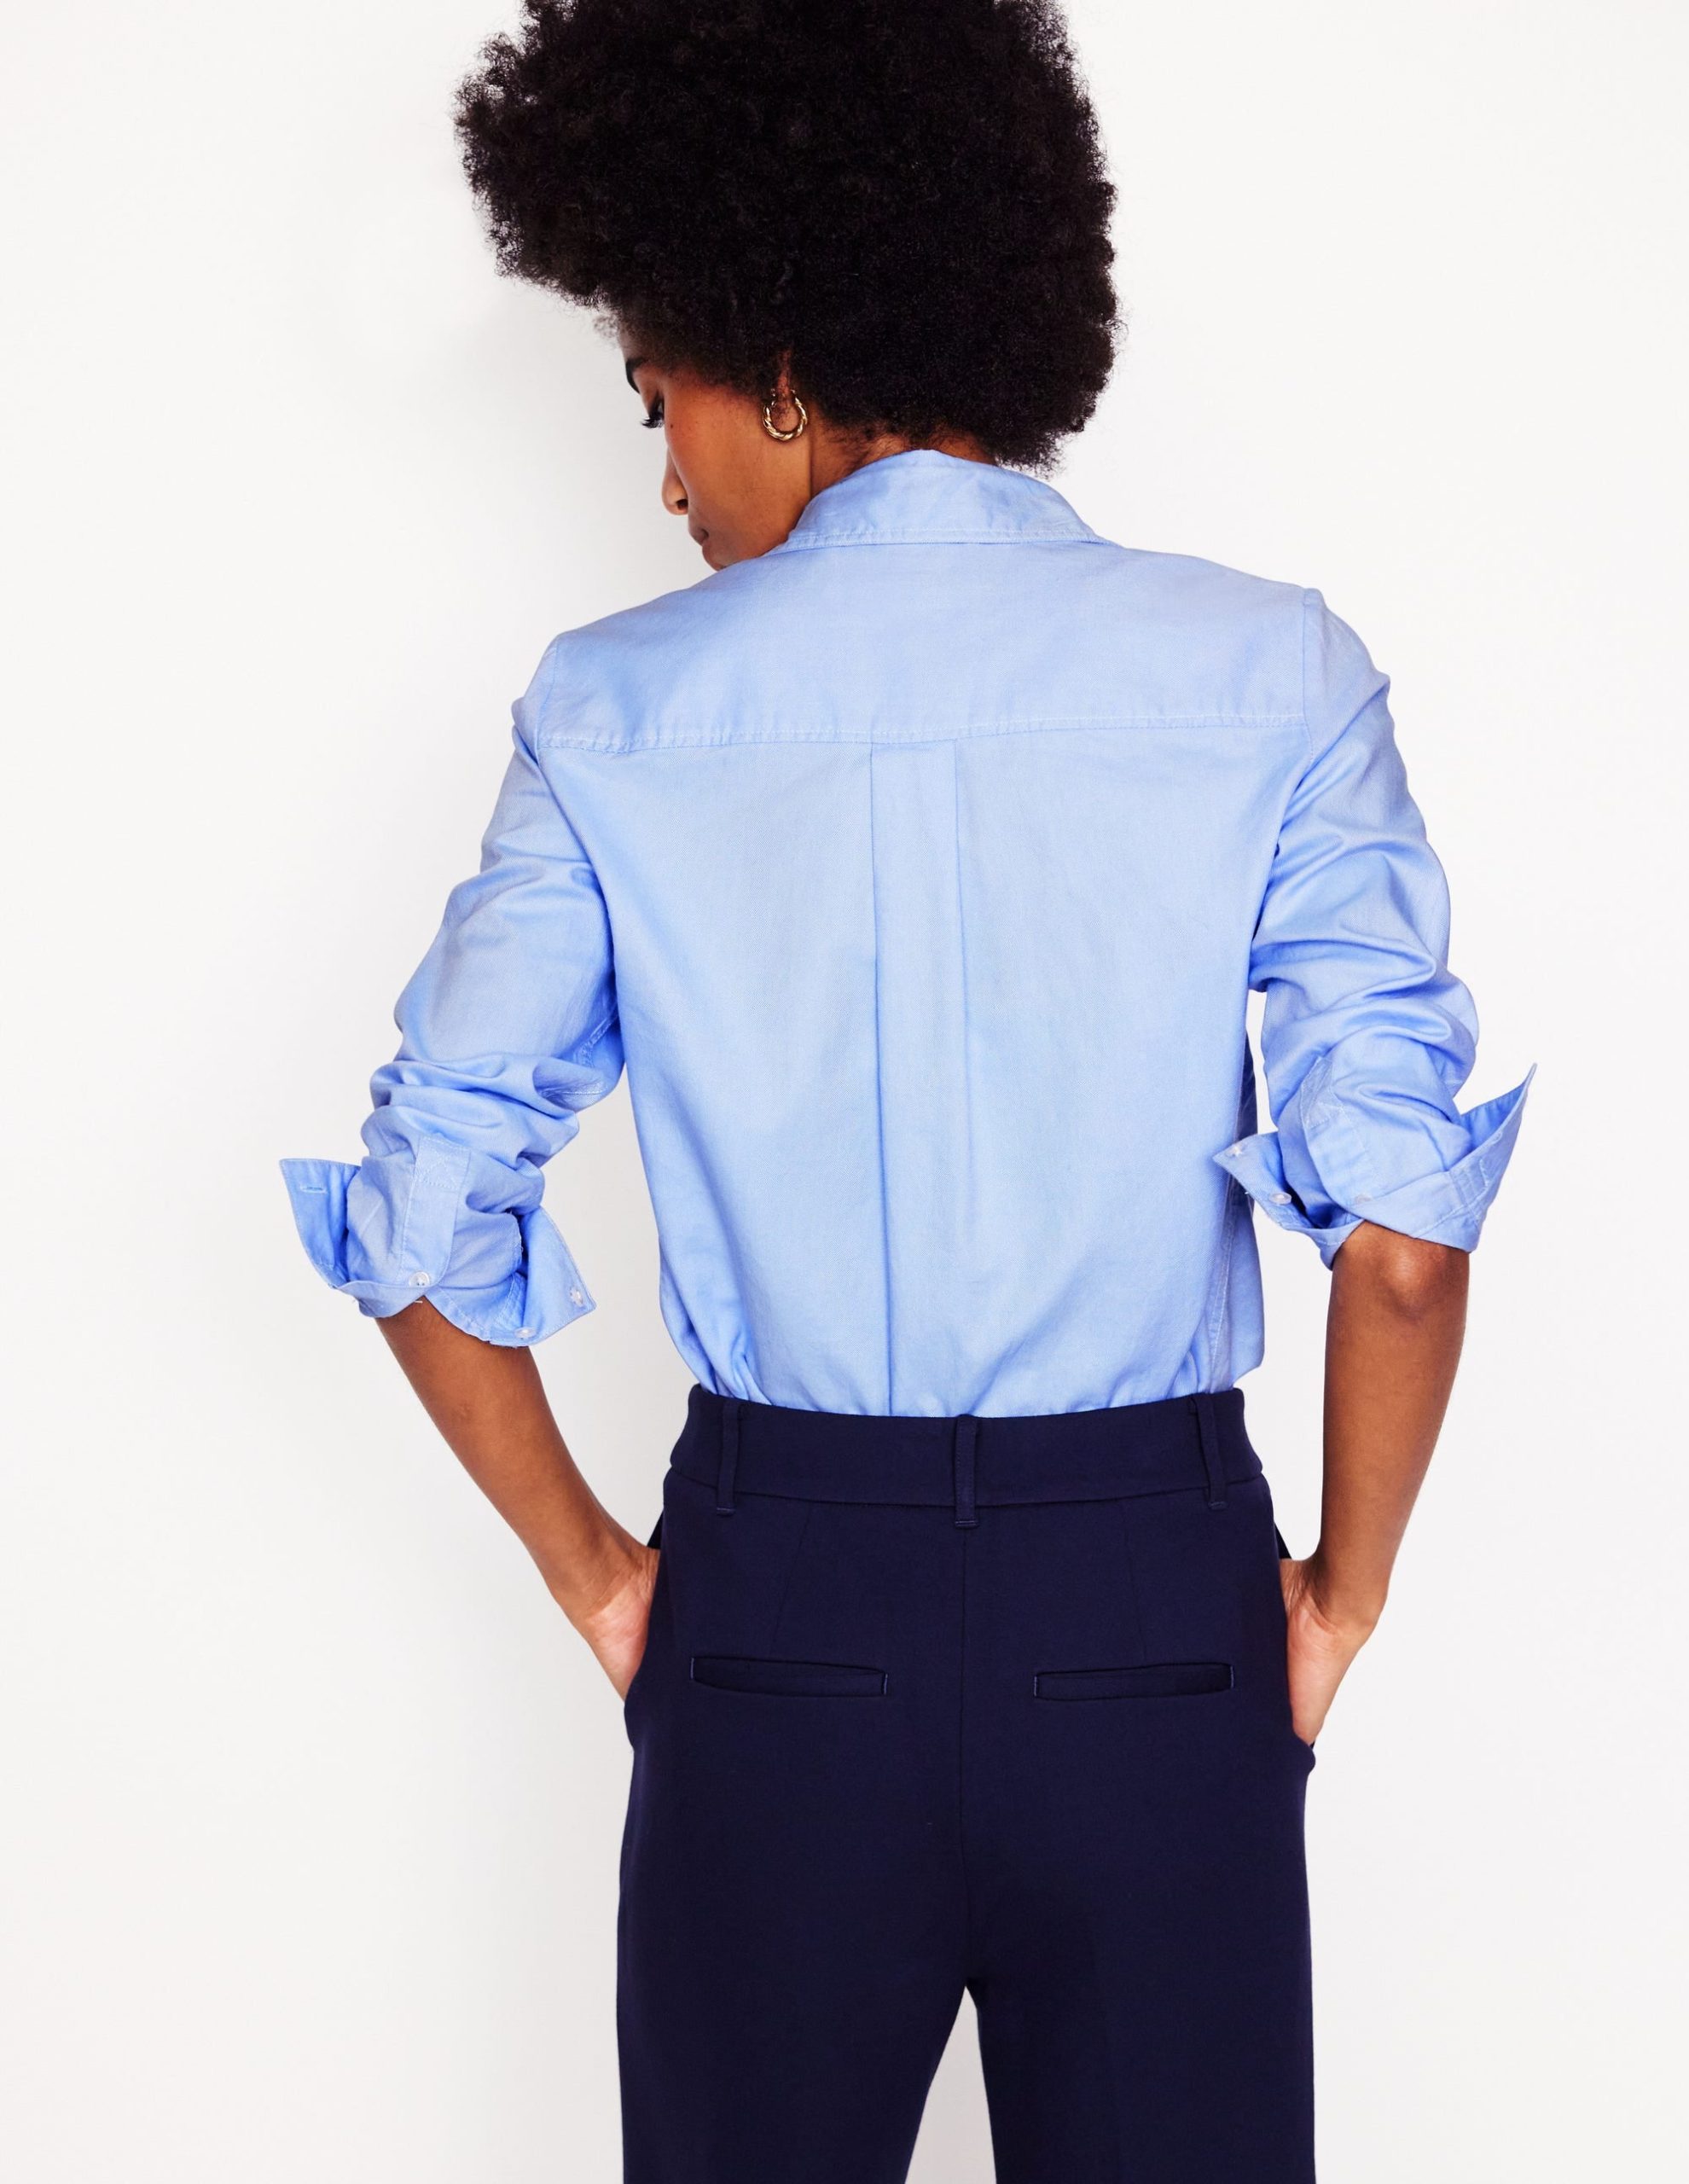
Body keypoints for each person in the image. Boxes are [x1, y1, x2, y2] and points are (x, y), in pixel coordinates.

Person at [282, 3, 1529, 2176]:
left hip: (778, 1619)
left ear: (779, 363)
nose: (665, 471)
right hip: (1157, 1616)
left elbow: (419, 1214)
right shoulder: (1275, 675)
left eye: (657, 393)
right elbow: (1404, 1251)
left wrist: (606, 1581)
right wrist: (1337, 1600)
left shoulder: (614, 711)